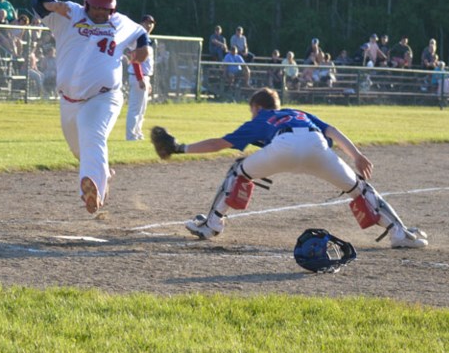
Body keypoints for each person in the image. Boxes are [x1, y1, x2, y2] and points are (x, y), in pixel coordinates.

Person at [159, 88, 428, 249]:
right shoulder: (299, 112)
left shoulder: (262, 118)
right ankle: (399, 233)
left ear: (257, 107)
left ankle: (211, 225)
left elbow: (219, 143)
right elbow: (332, 130)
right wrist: (356, 155)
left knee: (238, 171)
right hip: (316, 145)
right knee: (359, 188)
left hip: (284, 146)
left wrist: (180, 148)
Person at [31, 0, 148, 214]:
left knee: (91, 133)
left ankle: (92, 192)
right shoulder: (70, 14)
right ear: (86, 4)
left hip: (104, 97)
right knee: (79, 151)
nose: (101, 13)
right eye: (97, 8)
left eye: (106, 9)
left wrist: (143, 49)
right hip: (69, 101)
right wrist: (55, 6)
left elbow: (141, 32)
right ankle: (102, 172)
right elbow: (37, 2)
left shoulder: (120, 23)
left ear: (112, 9)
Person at [125, 14, 156, 141]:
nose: (149, 25)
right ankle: (131, 135)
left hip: (145, 77)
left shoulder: (146, 38)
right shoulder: (139, 37)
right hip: (138, 76)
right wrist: (140, 78)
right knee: (135, 108)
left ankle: (137, 133)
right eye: (146, 22)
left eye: (151, 23)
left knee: (142, 109)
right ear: (141, 23)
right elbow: (135, 60)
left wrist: (147, 81)